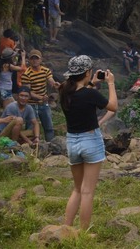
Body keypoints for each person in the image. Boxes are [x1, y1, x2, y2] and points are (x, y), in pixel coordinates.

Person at [59, 55, 116, 231]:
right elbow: (113, 106)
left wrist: (89, 82)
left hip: (72, 142)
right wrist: (111, 83)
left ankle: (66, 228)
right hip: (90, 141)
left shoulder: (64, 91)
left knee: (77, 189)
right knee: (87, 191)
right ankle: (83, 232)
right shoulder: (90, 94)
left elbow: (81, 92)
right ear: (87, 72)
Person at [21, 49, 60, 141]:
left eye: (36, 58)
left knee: (49, 127)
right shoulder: (26, 74)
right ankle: (29, 147)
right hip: (31, 104)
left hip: (43, 103)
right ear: (29, 60)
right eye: (32, 58)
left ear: (40, 59)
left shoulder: (45, 71)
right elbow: (28, 92)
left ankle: (51, 145)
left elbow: (51, 81)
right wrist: (41, 97)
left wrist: (56, 85)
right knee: (30, 127)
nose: (34, 60)